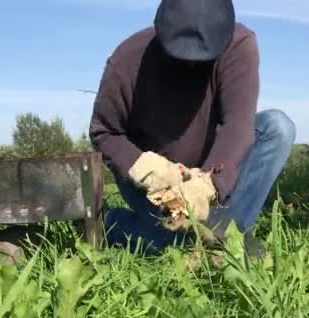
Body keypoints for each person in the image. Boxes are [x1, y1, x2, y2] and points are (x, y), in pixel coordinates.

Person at [88, 0, 296, 256]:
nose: (191, 66)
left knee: (278, 127)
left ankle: (220, 238)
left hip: (212, 169)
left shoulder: (239, 45)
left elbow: (238, 124)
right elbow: (104, 132)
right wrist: (147, 168)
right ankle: (117, 224)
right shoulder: (127, 59)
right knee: (171, 242)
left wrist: (207, 183)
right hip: (155, 181)